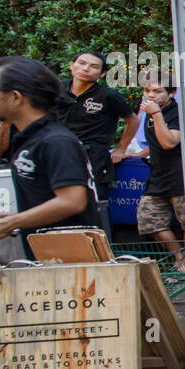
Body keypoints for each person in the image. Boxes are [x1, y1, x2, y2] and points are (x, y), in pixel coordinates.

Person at [0, 57, 100, 257]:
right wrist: (19, 217)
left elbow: (72, 201)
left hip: (74, 261)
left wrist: (11, 223)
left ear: (15, 97)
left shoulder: (56, 141)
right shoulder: (29, 139)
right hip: (47, 256)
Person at [59, 50, 138, 238]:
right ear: (72, 65)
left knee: (95, 206)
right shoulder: (56, 90)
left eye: (93, 66)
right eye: (81, 63)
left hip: (94, 157)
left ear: (101, 74)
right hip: (60, 154)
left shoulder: (108, 96)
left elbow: (132, 120)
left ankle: (103, 253)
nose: (85, 69)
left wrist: (120, 148)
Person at [135, 75, 185, 272]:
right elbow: (155, 143)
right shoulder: (150, 113)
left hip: (180, 176)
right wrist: (134, 154)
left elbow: (169, 142)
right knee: (148, 220)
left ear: (171, 93)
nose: (150, 95)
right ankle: (179, 257)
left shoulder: (177, 113)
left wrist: (157, 114)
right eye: (147, 91)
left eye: (157, 92)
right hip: (158, 175)